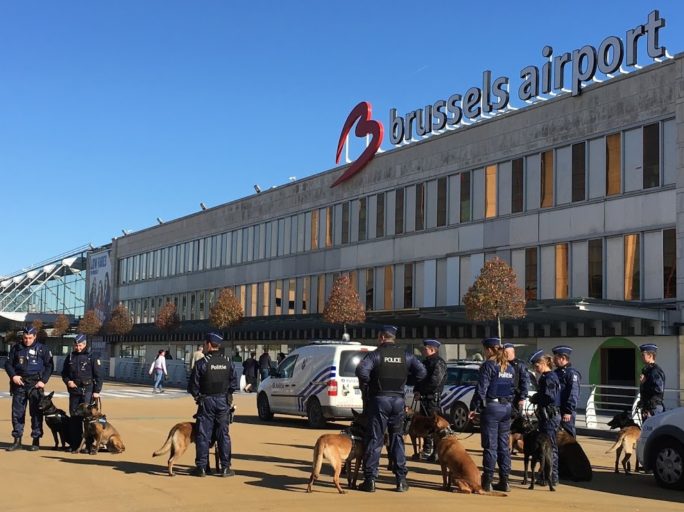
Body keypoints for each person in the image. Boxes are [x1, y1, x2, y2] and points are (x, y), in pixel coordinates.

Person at [356, 325, 427, 493]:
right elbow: (422, 373)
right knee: (397, 438)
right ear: (393, 338)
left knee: (375, 438)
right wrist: (407, 380)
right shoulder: (406, 355)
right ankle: (401, 480)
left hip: (379, 399)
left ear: (381, 337)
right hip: (398, 400)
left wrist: (370, 383)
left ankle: (370, 480)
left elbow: (361, 370)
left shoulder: (376, 354)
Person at [468, 337, 517, 492]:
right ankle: (505, 480)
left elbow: (481, 389)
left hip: (492, 408)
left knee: (490, 446)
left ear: (489, 350)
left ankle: (487, 481)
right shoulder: (509, 367)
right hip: (506, 407)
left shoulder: (488, 366)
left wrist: (474, 408)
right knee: (504, 446)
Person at [187, 332, 238, 477]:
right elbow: (234, 383)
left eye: (204, 344)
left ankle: (202, 468)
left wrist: (198, 397)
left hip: (207, 401)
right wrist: (227, 396)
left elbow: (193, 386)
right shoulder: (228, 361)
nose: (203, 346)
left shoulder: (202, 363)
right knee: (223, 434)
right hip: (223, 401)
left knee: (203, 434)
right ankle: (226, 467)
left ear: (209, 344)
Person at [4, 327, 54, 451]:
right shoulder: (17, 348)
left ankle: (35, 440)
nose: (27, 340)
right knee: (17, 413)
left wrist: (43, 381)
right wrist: (13, 376)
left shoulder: (43, 349)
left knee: (36, 413)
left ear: (35, 336)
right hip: (19, 383)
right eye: (25, 338)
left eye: (30, 338)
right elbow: (8, 364)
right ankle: (17, 440)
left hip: (36, 385)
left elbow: (49, 365)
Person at [61, 333, 102, 452]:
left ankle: (89, 445)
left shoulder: (92, 357)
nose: (77, 347)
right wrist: (68, 382)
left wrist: (97, 391)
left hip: (88, 390)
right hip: (74, 390)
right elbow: (64, 374)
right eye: (76, 345)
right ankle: (75, 444)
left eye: (80, 345)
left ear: (84, 344)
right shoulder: (70, 357)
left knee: (88, 420)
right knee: (74, 418)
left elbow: (99, 376)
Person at [528, 350, 561, 486]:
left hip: (550, 416)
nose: (536, 369)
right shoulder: (548, 377)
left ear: (544, 363)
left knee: (549, 448)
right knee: (546, 447)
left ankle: (551, 477)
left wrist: (536, 398)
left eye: (537, 366)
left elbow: (549, 397)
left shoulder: (549, 378)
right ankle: (546, 476)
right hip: (547, 415)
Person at [413, 338, 447, 461]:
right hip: (423, 399)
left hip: (433, 400)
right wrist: (416, 390)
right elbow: (419, 378)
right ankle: (427, 450)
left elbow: (435, 382)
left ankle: (436, 452)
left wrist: (422, 391)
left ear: (432, 349)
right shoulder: (425, 362)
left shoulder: (439, 363)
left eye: (425, 348)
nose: (423, 350)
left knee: (434, 426)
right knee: (425, 426)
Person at [552, 345, 580, 437]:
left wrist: (568, 411)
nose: (553, 361)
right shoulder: (556, 373)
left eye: (555, 358)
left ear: (562, 358)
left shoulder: (571, 373)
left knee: (568, 435)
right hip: (557, 409)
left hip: (566, 410)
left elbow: (573, 393)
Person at [638, 343, 666, 421]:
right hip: (648, 407)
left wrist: (645, 382)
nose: (641, 357)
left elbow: (658, 389)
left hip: (653, 409)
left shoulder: (655, 371)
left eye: (643, 355)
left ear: (650, 356)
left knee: (653, 432)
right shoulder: (648, 370)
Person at [503, 342, 529, 416]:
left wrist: (522, 397)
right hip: (504, 397)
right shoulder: (502, 364)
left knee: (514, 418)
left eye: (507, 352)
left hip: (515, 397)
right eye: (504, 352)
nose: (505, 354)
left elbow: (525, 381)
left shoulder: (519, 364)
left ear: (513, 352)